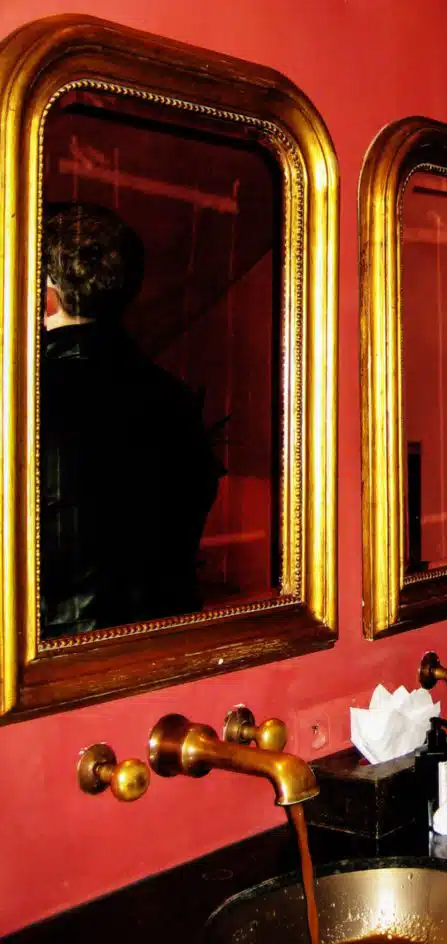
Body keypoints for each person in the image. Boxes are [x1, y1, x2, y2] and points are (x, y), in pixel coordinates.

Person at [41, 202, 222, 638]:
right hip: (165, 642)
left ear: (46, 294)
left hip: (53, 657)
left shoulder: (24, 402)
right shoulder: (175, 397)